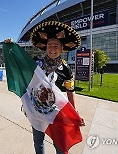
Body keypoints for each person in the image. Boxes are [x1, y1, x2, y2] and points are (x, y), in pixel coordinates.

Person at [29, 21, 85, 154]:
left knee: (60, 143)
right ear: (45, 47)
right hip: (36, 108)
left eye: (56, 45)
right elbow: (19, 65)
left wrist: (74, 112)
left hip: (56, 112)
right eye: (49, 45)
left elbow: (70, 91)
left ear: (62, 49)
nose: (52, 49)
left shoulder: (66, 69)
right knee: (38, 140)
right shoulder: (36, 63)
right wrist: (11, 47)